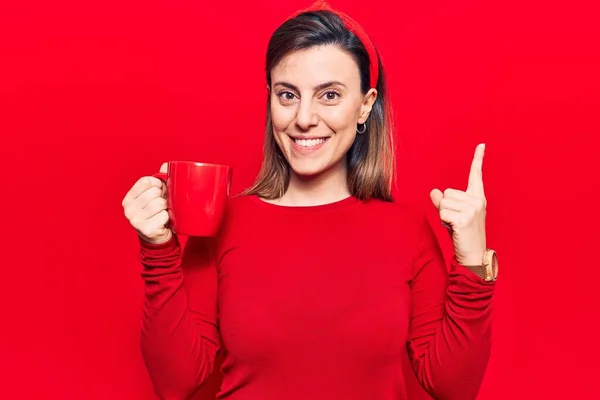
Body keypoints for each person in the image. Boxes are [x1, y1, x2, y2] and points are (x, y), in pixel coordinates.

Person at [121, 1, 498, 399]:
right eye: (287, 95)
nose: (303, 118)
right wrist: (158, 249)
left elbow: (453, 387)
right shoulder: (221, 224)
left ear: (365, 106)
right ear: (270, 100)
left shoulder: (406, 230)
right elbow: (176, 382)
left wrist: (473, 258)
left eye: (329, 95)